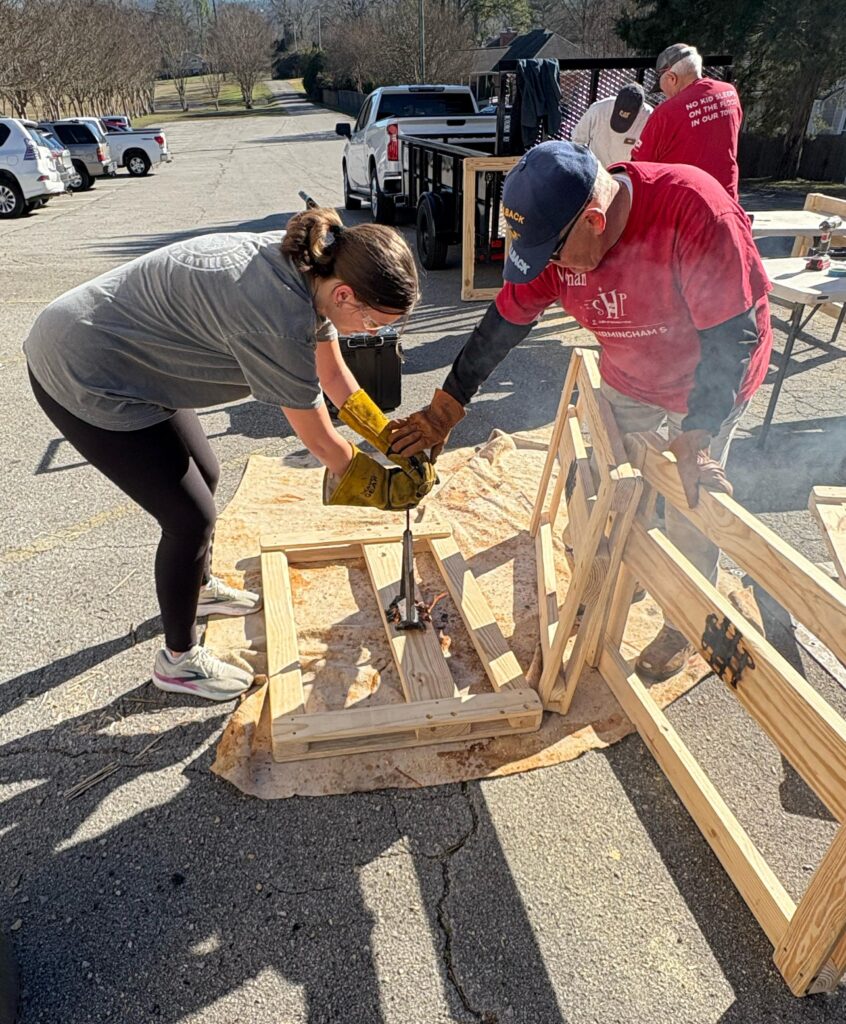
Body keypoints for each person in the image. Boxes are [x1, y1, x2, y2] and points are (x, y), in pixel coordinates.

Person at [390, 141, 773, 682]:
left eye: (552, 256)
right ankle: (615, 577)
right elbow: (503, 323)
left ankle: (683, 620)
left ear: (594, 220)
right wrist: (447, 405)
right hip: (630, 376)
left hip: (711, 382)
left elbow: (732, 336)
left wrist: (699, 431)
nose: (548, 268)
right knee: (601, 486)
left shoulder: (693, 210)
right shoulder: (560, 237)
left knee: (689, 504)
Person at [24, 209, 434, 702]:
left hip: (137, 355)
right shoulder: (278, 317)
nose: (370, 333)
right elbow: (322, 442)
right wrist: (379, 486)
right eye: (372, 323)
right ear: (346, 295)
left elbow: (333, 376)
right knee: (189, 518)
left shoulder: (316, 267)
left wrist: (388, 436)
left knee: (207, 473)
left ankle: (197, 587)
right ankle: (178, 661)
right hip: (83, 367)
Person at [632, 44, 743, 201]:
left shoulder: (666, 112)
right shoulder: (729, 94)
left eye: (662, 89)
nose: (664, 95)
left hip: (684, 204)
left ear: (672, 78)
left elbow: (639, 167)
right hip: (725, 198)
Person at [571, 83, 653, 166]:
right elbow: (577, 140)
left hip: (626, 170)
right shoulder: (598, 109)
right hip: (597, 167)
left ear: (640, 110)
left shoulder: (650, 118)